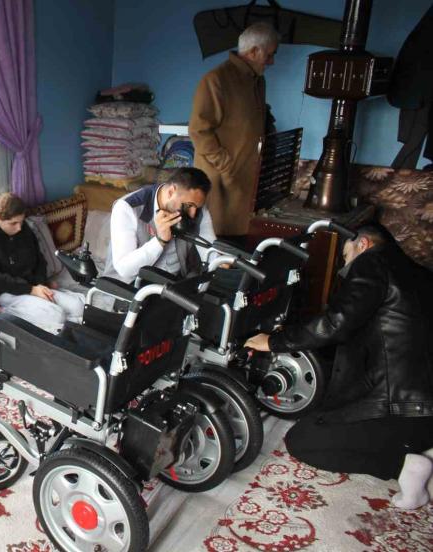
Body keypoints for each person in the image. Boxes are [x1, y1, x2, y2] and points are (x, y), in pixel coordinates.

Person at [245, 223, 433, 509]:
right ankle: (424, 451)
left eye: (345, 256)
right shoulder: (420, 273)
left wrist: (272, 342)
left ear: (363, 244)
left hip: (403, 408)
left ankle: (404, 465)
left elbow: (336, 323)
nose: (345, 266)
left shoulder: (372, 263)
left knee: (302, 440)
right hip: (424, 408)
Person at [189, 22, 279, 247]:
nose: (272, 62)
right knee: (217, 247)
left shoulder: (258, 81)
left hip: (244, 184)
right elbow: (199, 131)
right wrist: (227, 165)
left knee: (240, 247)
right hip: (221, 182)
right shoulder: (216, 80)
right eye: (269, 55)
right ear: (254, 51)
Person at [0, 192, 84, 332]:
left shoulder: (23, 228)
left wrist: (40, 284)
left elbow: (40, 260)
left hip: (32, 285)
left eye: (21, 221)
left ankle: (66, 324)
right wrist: (31, 290)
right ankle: (4, 313)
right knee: (57, 315)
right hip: (5, 291)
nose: (19, 227)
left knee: (78, 307)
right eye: (13, 223)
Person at [104, 167, 216, 284]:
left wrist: (220, 261)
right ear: (171, 192)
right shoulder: (128, 207)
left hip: (174, 285)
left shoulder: (197, 209)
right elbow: (124, 269)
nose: (193, 214)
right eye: (189, 205)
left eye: (196, 207)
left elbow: (210, 251)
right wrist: (159, 241)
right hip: (131, 287)